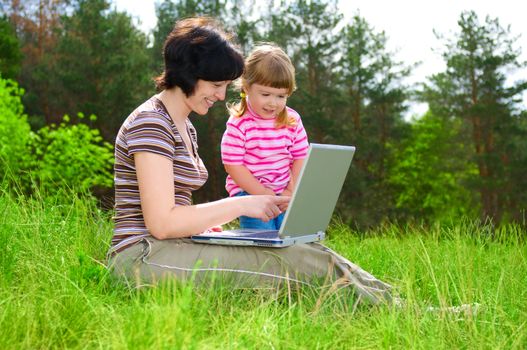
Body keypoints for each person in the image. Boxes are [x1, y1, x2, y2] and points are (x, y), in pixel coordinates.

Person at [107, 17, 394, 306]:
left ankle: (397, 303)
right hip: (142, 258)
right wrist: (243, 203)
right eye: (216, 85)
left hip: (171, 246)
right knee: (292, 262)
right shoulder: (151, 124)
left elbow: (173, 213)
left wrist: (203, 229)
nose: (221, 96)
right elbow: (162, 223)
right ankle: (392, 311)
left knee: (308, 251)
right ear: (188, 74)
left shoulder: (183, 125)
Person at [221, 44, 307, 230]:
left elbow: (300, 158)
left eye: (281, 96)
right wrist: (262, 193)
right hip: (250, 192)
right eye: (265, 94)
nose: (273, 103)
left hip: (284, 190)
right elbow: (233, 165)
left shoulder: (292, 120)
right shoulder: (239, 123)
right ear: (246, 87)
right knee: (262, 238)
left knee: (291, 234)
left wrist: (292, 190)